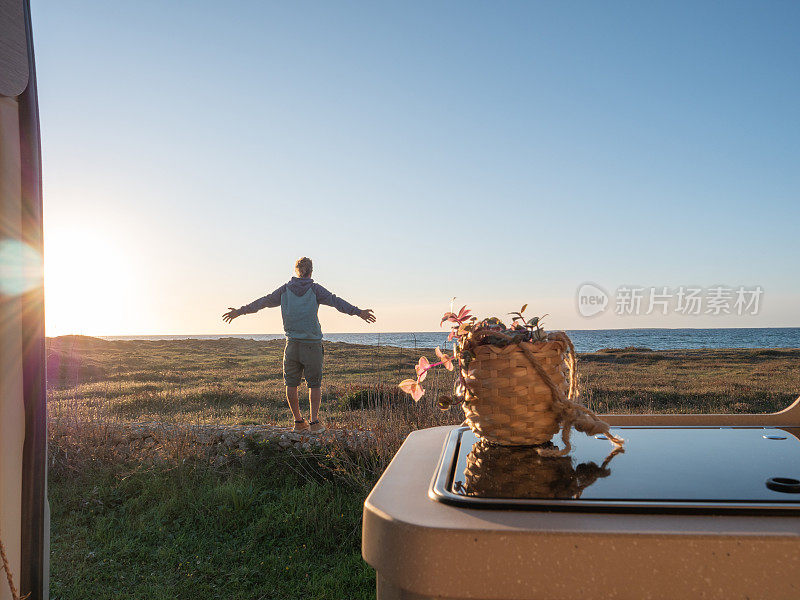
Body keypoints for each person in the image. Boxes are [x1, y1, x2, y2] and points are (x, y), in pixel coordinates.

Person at [222, 257, 376, 432]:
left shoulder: (284, 290)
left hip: (292, 345)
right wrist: (359, 312)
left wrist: (239, 312)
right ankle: (315, 423)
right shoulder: (315, 289)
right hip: (312, 345)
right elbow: (336, 302)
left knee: (291, 384)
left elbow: (262, 302)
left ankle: (298, 422)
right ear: (311, 271)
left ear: (296, 271)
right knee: (314, 384)